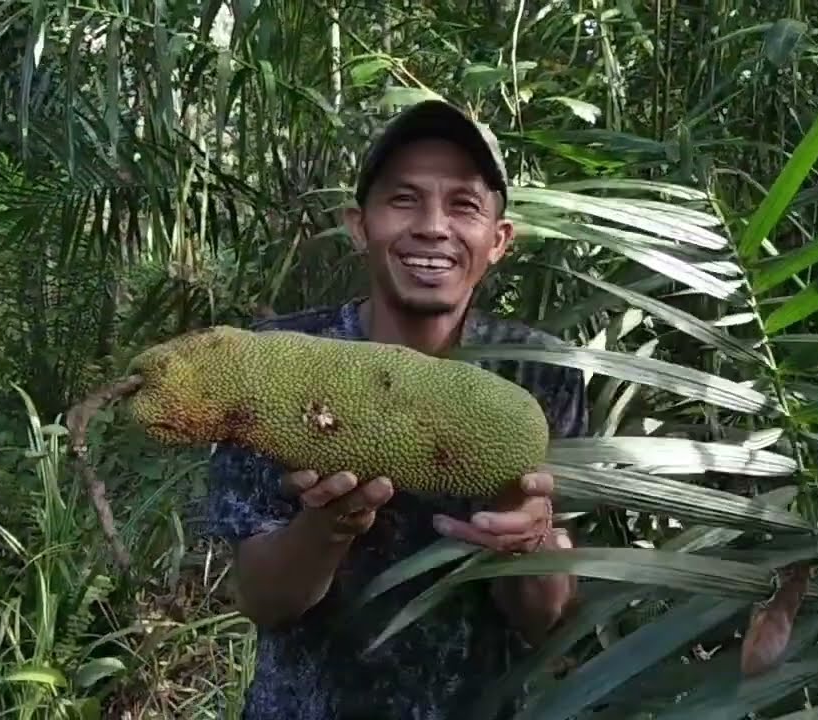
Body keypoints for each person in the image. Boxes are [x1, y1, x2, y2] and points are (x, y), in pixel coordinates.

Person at [203, 98, 590, 720]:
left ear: (499, 240)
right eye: (403, 199)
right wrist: (324, 527)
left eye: (463, 204)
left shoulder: (541, 375)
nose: (432, 226)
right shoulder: (270, 365)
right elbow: (265, 601)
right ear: (359, 225)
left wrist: (528, 535)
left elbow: (549, 624)